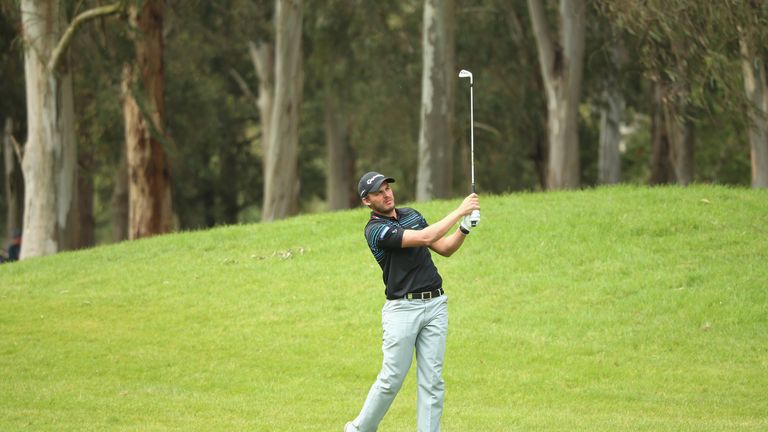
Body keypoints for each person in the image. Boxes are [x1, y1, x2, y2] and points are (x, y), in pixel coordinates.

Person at [345, 171, 480, 432]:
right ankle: (359, 429)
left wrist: (464, 227)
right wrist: (459, 210)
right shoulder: (375, 230)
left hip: (436, 305)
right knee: (391, 379)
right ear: (367, 201)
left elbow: (445, 248)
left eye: (387, 188)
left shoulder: (412, 216)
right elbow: (426, 237)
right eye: (378, 192)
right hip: (402, 309)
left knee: (433, 382)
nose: (386, 194)